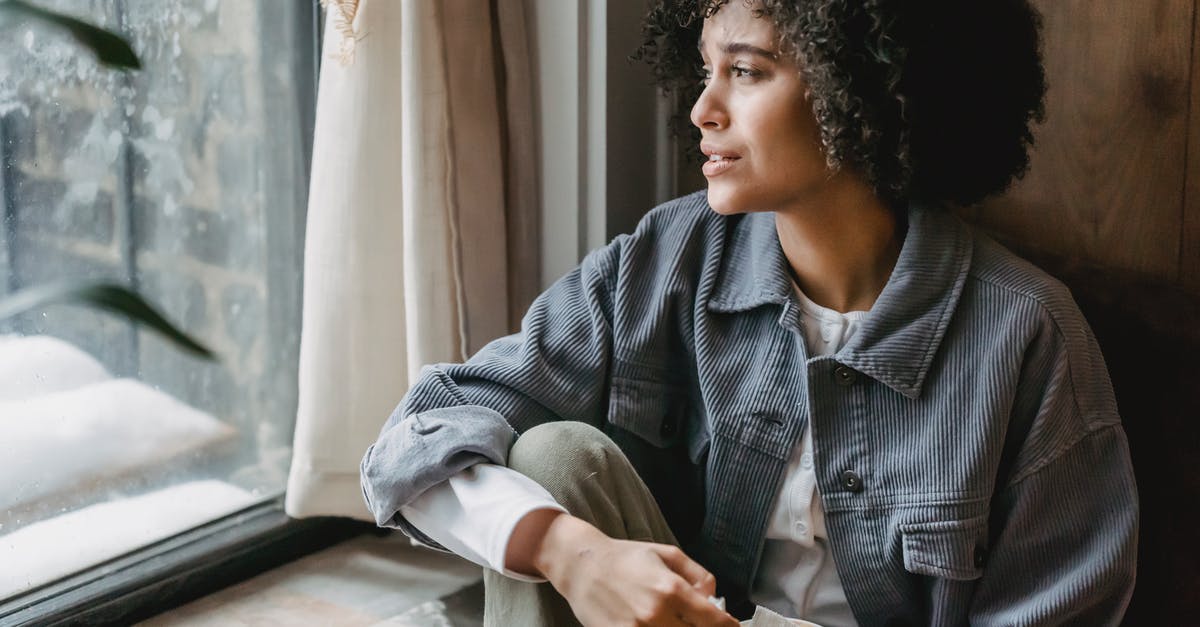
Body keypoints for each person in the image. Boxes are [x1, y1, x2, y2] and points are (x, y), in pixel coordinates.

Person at [360, 0, 1138, 625]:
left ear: (859, 86)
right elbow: (412, 440)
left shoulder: (1027, 335)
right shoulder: (669, 259)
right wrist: (573, 553)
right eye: (706, 70)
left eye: (746, 70)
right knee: (555, 460)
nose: (702, 109)